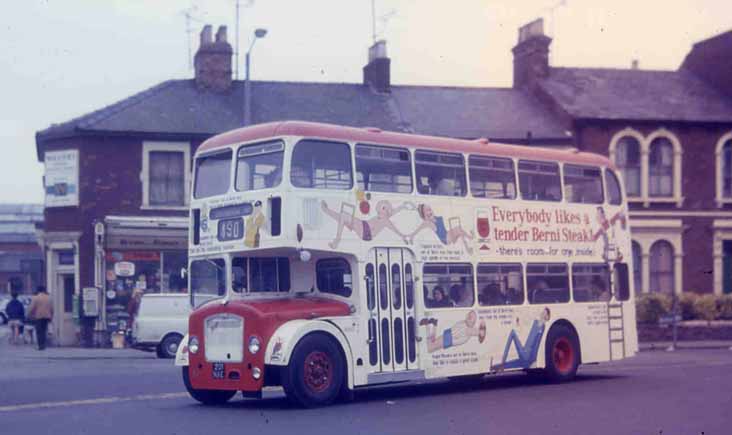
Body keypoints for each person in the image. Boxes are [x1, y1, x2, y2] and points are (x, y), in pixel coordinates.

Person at [321, 200, 414, 249]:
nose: (381, 209)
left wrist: (402, 236)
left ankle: (337, 240)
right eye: (382, 207)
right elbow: (393, 212)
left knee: (344, 216)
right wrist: (402, 206)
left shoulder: (385, 220)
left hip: (366, 232)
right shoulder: (381, 217)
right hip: (364, 226)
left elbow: (394, 229)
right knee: (343, 217)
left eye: (384, 207)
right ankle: (326, 210)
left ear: (387, 210)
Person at [491, 307, 551, 372]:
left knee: (512, 333)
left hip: (527, 356)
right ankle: (494, 367)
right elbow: (525, 321)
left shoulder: (542, 327)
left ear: (546, 316)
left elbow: (537, 344)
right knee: (508, 364)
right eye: (542, 312)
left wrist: (534, 361)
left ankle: (502, 362)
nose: (542, 313)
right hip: (524, 354)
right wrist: (518, 322)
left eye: (544, 313)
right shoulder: (535, 322)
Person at [409, 204, 475, 254]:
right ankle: (469, 245)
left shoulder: (435, 217)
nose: (430, 211)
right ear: (424, 214)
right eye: (427, 210)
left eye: (430, 209)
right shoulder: (428, 223)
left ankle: (469, 243)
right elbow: (418, 229)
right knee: (458, 229)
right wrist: (411, 237)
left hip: (448, 234)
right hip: (445, 239)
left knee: (459, 231)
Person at [420, 310, 486, 353]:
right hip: (448, 336)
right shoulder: (466, 324)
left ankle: (431, 325)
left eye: (477, 334)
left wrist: (450, 338)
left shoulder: (466, 338)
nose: (475, 332)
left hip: (449, 339)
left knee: (432, 346)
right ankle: (430, 325)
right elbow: (470, 315)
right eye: (477, 330)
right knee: (431, 346)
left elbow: (455, 342)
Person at [28, 286, 54, 350]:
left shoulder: (36, 298)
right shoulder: (49, 298)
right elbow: (52, 308)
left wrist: (29, 315)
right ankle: (44, 345)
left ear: (38, 290)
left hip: (38, 316)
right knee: (44, 330)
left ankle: (40, 346)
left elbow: (31, 308)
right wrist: (51, 316)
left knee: (39, 332)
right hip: (47, 316)